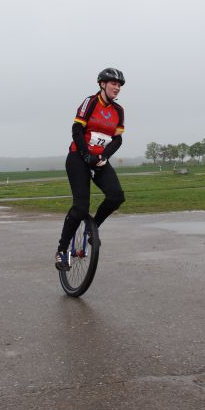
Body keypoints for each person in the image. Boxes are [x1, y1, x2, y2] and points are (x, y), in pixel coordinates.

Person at [55, 67, 126, 271]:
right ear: (102, 84)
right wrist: (86, 154)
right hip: (78, 157)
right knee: (81, 207)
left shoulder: (118, 110)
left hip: (99, 159)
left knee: (116, 197)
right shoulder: (91, 102)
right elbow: (77, 129)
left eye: (119, 85)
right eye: (113, 83)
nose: (117, 88)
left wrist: (104, 156)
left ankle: (91, 228)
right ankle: (61, 251)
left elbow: (117, 139)